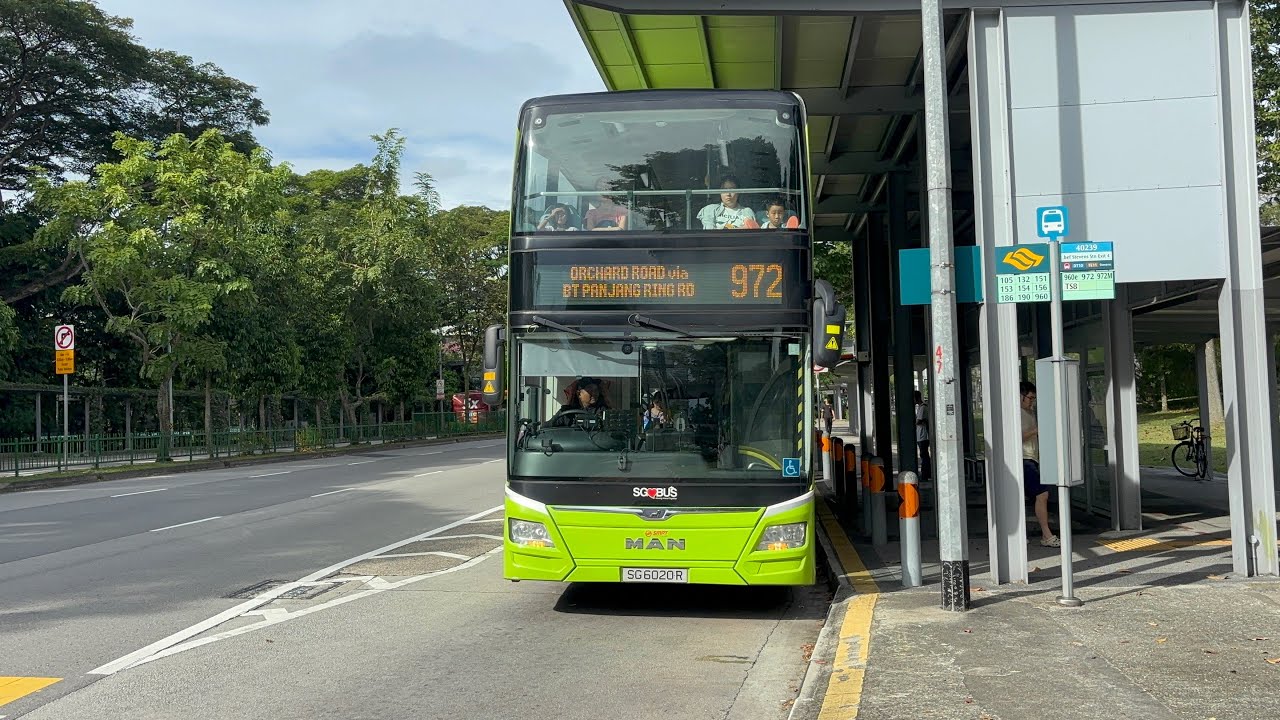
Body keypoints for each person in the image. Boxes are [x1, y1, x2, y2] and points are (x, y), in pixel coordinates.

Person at [1021, 381, 1060, 547]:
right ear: (1020, 396)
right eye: (1030, 398)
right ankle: (1046, 534)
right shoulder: (1016, 413)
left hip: (1032, 458)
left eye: (1034, 398)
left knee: (1034, 496)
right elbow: (1017, 436)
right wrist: (1037, 430)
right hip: (1024, 459)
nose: (1032, 401)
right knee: (1042, 494)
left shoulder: (1029, 412)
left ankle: (1030, 534)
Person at [914, 391, 931, 481]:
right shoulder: (921, 407)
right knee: (924, 455)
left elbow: (918, 421)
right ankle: (927, 473)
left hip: (923, 435)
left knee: (923, 455)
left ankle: (926, 474)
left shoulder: (923, 408)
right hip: (921, 435)